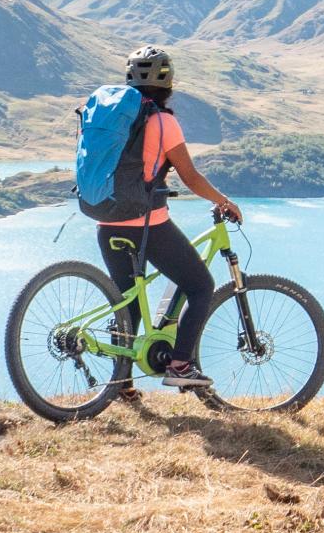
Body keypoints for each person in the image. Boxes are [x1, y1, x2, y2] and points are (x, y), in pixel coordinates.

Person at [97, 44, 242, 392]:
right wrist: (224, 201)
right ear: (168, 84)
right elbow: (190, 176)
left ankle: (122, 383)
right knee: (201, 286)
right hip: (148, 225)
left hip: (105, 221)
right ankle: (181, 365)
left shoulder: (113, 119)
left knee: (127, 300)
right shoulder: (164, 122)